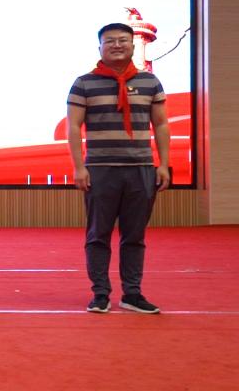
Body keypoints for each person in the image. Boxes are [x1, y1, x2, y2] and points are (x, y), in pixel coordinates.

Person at [67, 22, 170, 314]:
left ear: (132, 46)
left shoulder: (150, 82)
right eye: (109, 41)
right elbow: (73, 127)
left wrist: (164, 164)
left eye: (122, 40)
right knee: (98, 234)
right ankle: (100, 294)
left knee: (134, 236)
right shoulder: (84, 83)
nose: (116, 45)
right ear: (99, 47)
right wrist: (79, 167)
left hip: (141, 168)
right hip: (100, 170)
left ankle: (132, 294)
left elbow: (161, 124)